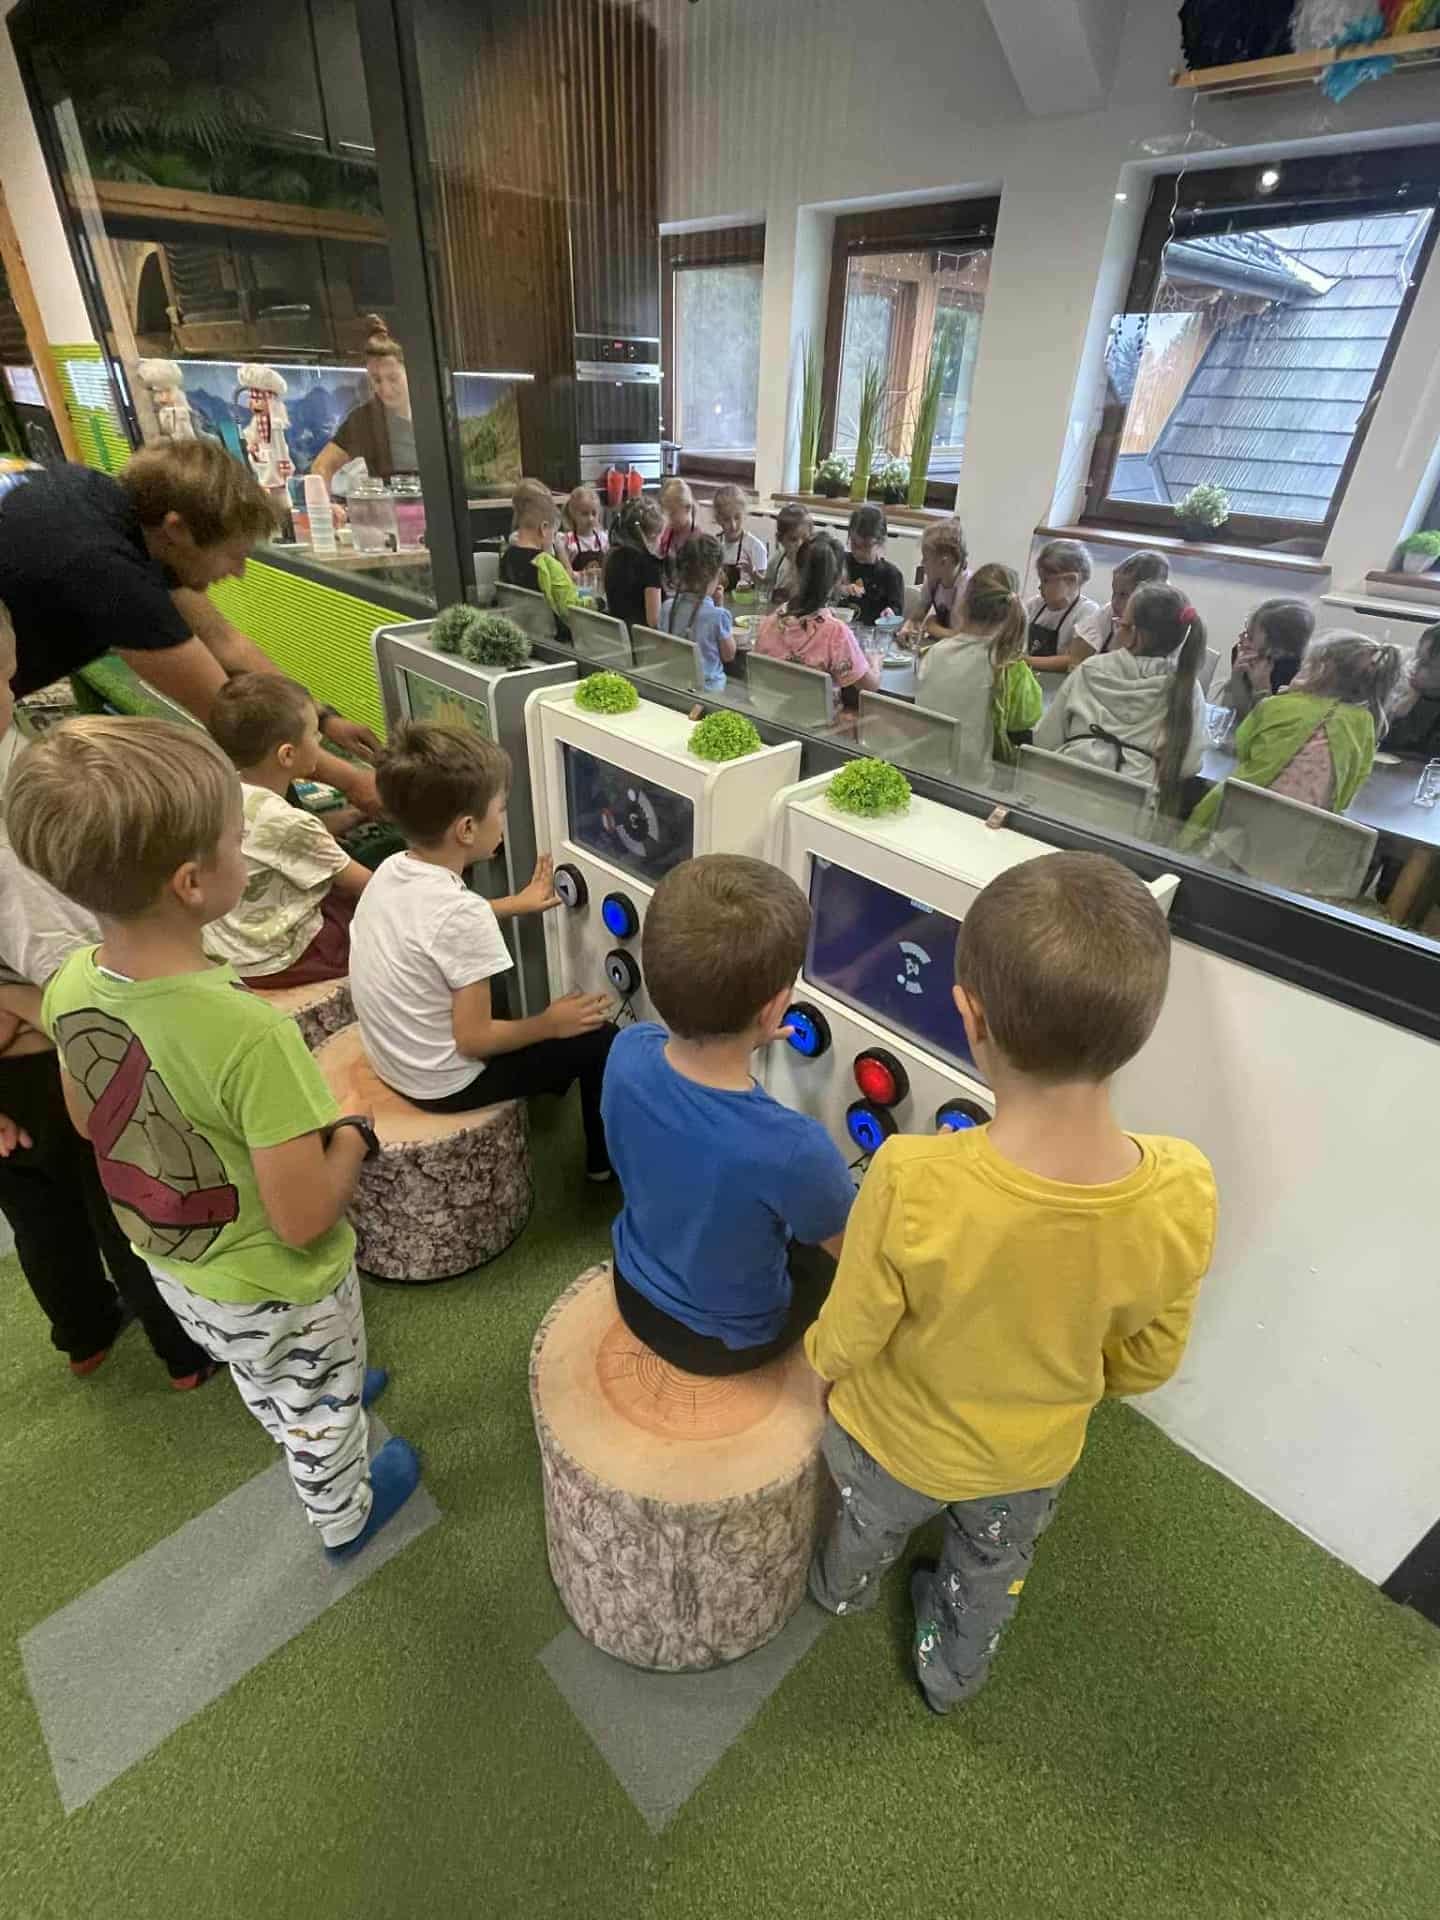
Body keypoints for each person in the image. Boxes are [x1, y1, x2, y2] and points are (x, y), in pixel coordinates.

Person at [806, 851, 1216, 1713]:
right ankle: (951, 1674)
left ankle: (840, 1592)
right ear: (1140, 1029)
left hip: (894, 1445)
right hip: (1029, 1461)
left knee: (864, 1525)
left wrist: (819, 1363)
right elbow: (1145, 1364)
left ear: (970, 1016)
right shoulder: (1184, 1187)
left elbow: (852, 1332)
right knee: (993, 1566)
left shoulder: (910, 1175)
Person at [6, 717, 420, 1560]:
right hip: (278, 1282)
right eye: (239, 837)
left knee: (263, 1373)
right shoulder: (248, 1034)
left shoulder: (70, 984)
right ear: (193, 882)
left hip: (178, 1266)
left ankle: (306, 1395)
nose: (245, 844)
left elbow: (89, 1121)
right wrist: (352, 1137)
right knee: (317, 1409)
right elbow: (302, 1220)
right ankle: (342, 1508)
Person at [0, 615, 216, 1389]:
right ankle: (183, 1352)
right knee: (118, 1195)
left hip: (26, 1051)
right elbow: (67, 970)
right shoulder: (20, 807)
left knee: (39, 1208)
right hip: (63, 1043)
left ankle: (85, 1332)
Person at [0, 440, 383, 814]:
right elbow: (237, 723)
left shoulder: (120, 511)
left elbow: (226, 642)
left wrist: (324, 717)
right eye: (234, 554)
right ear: (178, 529)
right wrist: (355, 783)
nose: (239, 571)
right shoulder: (105, 569)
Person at [603, 855, 853, 1374]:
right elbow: (855, 1254)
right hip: (727, 1341)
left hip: (633, 1286)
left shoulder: (627, 1049)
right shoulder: (797, 1148)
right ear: (775, 1009)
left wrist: (748, 1034)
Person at [348, 723, 617, 1181]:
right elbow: (474, 1041)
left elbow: (428, 929)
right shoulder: (463, 916)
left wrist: (513, 904)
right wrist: (550, 1024)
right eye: (501, 809)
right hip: (443, 1085)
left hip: (393, 1060)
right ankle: (601, 1166)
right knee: (601, 1039)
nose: (504, 819)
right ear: (468, 828)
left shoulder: (392, 869)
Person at [202, 673, 371, 987]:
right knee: (363, 917)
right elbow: (369, 884)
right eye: (315, 735)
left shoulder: (221, 791)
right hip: (279, 960)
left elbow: (271, 838)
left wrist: (353, 816)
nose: (319, 742)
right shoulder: (291, 824)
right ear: (287, 754)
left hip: (231, 945)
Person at [1183, 631, 1403, 845]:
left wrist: (1275, 697)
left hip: (1234, 831)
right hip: (1303, 845)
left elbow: (1244, 747)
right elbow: (1353, 784)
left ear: (1320, 670)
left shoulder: (1278, 706)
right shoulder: (1364, 725)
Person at [1035, 583, 1207, 808]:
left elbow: (1044, 739)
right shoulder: (1186, 687)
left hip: (1059, 797)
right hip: (1132, 812)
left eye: (1121, 624)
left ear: (1134, 634)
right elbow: (1189, 766)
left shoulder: (1090, 669)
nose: (1116, 630)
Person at [915, 563, 1042, 771]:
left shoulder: (934, 652)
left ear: (963, 604)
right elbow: (1026, 719)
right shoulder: (1007, 665)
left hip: (928, 767)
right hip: (976, 779)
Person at [754, 533, 881, 711]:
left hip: (772, 717)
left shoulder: (770, 622)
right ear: (838, 578)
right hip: (819, 726)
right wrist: (875, 662)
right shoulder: (836, 633)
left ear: (795, 569)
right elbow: (870, 687)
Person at [309, 317, 416, 491]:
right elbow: (321, 467)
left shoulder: (433, 411)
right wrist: (326, 503)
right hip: (388, 507)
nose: (386, 389)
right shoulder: (364, 419)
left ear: (411, 372)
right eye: (377, 380)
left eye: (393, 378)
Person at [1216, 598, 1316, 722]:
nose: (1243, 641)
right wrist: (1237, 679)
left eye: (1251, 637)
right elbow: (1231, 715)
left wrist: (1262, 691)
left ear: (1277, 646)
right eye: (1246, 633)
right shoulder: (1244, 657)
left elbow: (1267, 728)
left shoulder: (1296, 679)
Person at [499, 484, 579, 634]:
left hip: (523, 634)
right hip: (555, 640)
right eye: (553, 534)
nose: (553, 540)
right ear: (543, 528)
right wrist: (597, 603)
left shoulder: (507, 556)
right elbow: (571, 609)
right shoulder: (547, 563)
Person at [661, 533, 735, 693]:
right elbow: (729, 655)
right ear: (717, 574)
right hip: (709, 691)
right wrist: (720, 606)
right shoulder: (719, 616)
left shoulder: (666, 608)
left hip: (674, 684)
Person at [1072, 551, 1170, 660]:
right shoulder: (1109, 612)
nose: (1114, 601)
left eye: (1123, 595)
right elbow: (1078, 651)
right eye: (1114, 593)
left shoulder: (1164, 627)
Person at [1026, 538, 1100, 673]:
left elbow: (1072, 659)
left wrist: (1026, 661)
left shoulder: (1087, 612)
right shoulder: (1034, 606)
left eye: (1045, 581)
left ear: (1071, 580)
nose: (1040, 586)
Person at [900, 518, 968, 653]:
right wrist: (907, 628)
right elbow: (917, 616)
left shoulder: (967, 588)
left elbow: (964, 638)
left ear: (944, 562)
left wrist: (932, 626)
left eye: (926, 558)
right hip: (942, 648)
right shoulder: (933, 581)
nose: (922, 563)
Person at [603, 496, 666, 633]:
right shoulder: (650, 566)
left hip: (617, 636)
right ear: (653, 535)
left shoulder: (611, 556)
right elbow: (654, 622)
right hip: (641, 642)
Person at [840, 504, 906, 628]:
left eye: (866, 546)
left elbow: (896, 612)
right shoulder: (841, 563)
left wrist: (891, 614)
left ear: (881, 541)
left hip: (872, 635)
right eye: (854, 543)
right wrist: (841, 589)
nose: (859, 551)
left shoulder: (891, 575)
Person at [1387, 622, 1440, 758]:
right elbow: (1384, 742)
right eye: (1417, 658)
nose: (1414, 667)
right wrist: (1406, 704)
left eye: (1426, 665)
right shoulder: (1419, 692)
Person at [711, 483, 767, 590]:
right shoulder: (713, 546)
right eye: (726, 519)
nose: (733, 525)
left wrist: (752, 573)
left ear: (744, 514)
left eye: (737, 517)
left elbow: (763, 588)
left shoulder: (755, 547)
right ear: (718, 519)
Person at [762, 503, 814, 605]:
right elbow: (767, 585)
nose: (800, 544)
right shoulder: (778, 559)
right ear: (780, 539)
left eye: (805, 538)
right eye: (793, 539)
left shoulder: (813, 564)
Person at [557, 484, 609, 577]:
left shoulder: (604, 539)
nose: (590, 518)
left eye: (594, 513)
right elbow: (566, 574)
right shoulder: (566, 541)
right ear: (573, 514)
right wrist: (585, 574)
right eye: (585, 514)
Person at [657, 476, 698, 573]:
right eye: (666, 513)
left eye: (672, 513)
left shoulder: (698, 540)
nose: (668, 519)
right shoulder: (667, 533)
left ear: (687, 508)